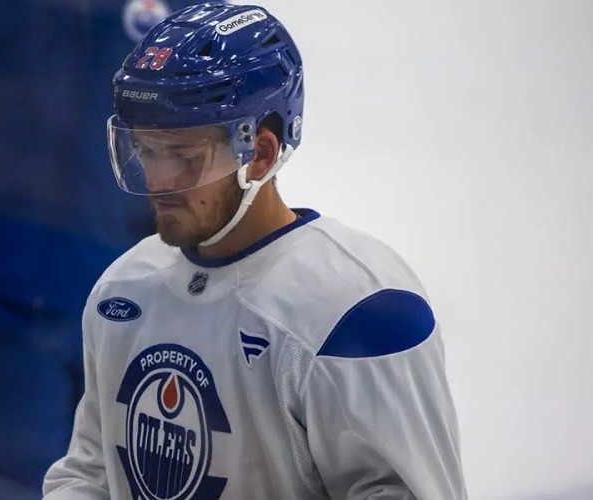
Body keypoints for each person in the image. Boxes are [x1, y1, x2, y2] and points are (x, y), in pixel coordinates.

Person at [43, 3, 468, 499]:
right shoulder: (123, 291)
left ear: (261, 154)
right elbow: (91, 473)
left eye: (183, 157)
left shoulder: (358, 311)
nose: (158, 180)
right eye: (146, 151)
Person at [0, 0, 216, 497]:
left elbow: (225, 156)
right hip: (8, 309)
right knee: (19, 480)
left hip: (151, 315)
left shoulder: (193, 11)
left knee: (141, 481)